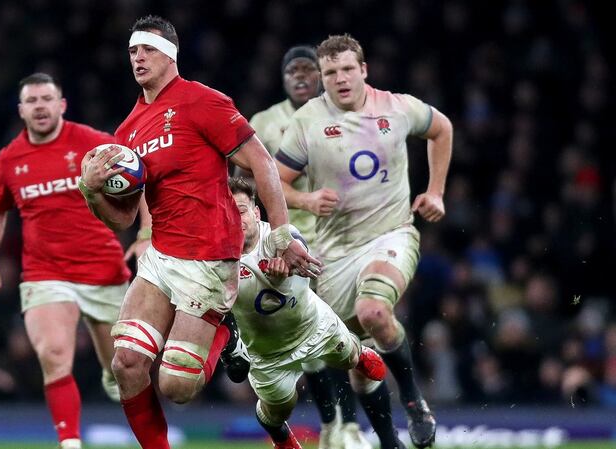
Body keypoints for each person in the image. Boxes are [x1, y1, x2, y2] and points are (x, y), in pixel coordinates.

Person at [78, 15, 319, 449]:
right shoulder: (128, 130)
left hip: (209, 259)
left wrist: (282, 234)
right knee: (127, 363)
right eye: (132, 51)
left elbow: (261, 161)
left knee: (177, 388)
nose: (138, 58)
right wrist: (91, 190)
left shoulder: (202, 101)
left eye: (147, 49)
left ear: (170, 53)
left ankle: (227, 330)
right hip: (161, 257)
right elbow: (125, 217)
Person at [276, 34, 454, 449]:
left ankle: (413, 400)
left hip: (392, 233)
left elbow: (442, 129)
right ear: (321, 78)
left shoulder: (397, 106)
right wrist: (306, 198)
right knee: (358, 359)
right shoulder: (307, 121)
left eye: (347, 69)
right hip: (334, 253)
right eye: (330, 72)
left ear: (364, 70)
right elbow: (276, 182)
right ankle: (390, 441)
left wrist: (437, 191)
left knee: (373, 310)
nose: (339, 79)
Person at [0, 73, 141, 449]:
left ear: (61, 104)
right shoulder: (8, 161)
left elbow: (138, 181)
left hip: (104, 270)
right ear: (21, 110)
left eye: (46, 98)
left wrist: (146, 235)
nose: (40, 106)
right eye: (31, 100)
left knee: (126, 369)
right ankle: (70, 442)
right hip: (45, 273)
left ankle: (127, 400)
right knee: (53, 352)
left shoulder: (94, 145)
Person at [237, 45, 369, 449]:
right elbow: (244, 182)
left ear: (322, 76)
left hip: (337, 239)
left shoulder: (343, 116)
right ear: (282, 77)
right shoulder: (263, 121)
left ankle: (348, 423)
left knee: (346, 329)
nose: (300, 76)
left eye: (308, 69)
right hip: (280, 242)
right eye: (292, 69)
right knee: (309, 334)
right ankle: (336, 424)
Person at [228, 177, 404, 449]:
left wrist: (288, 268)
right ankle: (280, 436)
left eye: (240, 210)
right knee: (278, 411)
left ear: (256, 212)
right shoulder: (216, 257)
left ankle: (359, 355)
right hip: (266, 353)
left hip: (314, 326)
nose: (235, 218)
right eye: (227, 211)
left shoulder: (278, 239)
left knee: (349, 357)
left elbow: (301, 250)